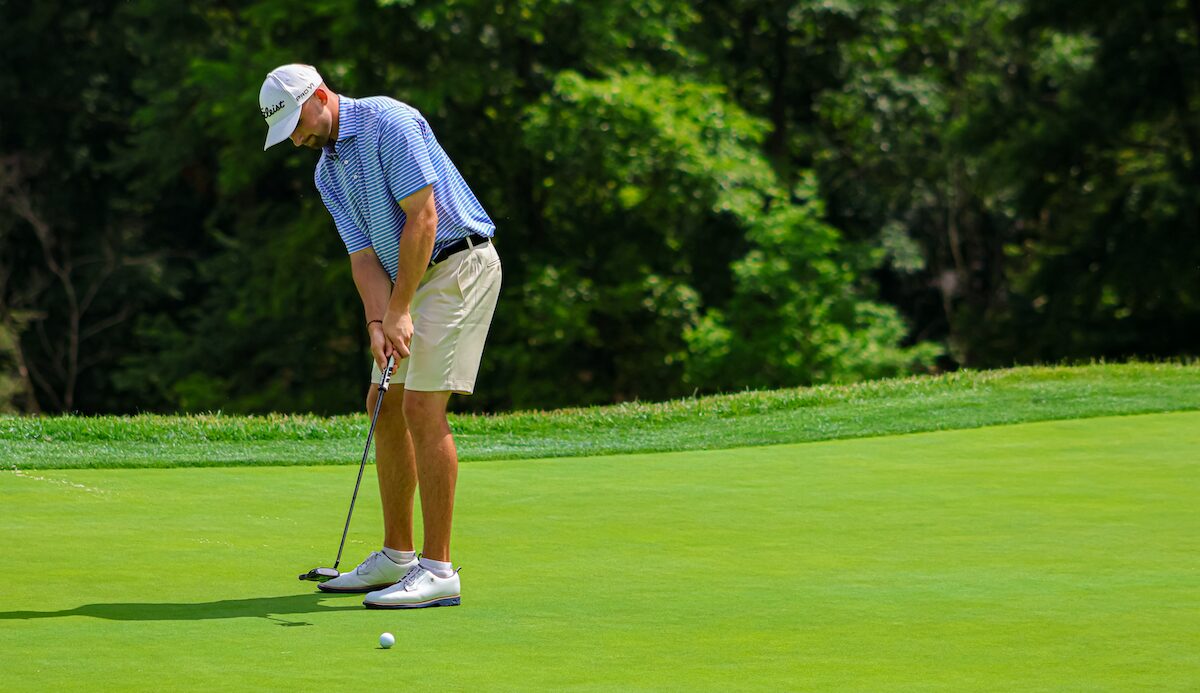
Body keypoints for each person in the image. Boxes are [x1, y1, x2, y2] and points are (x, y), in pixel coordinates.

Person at [259, 64, 501, 609]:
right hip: (406, 284)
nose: (296, 139)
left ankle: (439, 571)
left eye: (297, 124)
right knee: (382, 402)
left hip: (458, 265)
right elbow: (364, 257)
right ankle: (397, 557)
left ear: (320, 96)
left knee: (420, 408)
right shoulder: (327, 171)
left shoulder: (388, 122)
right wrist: (377, 321)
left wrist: (399, 310)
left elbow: (425, 219)